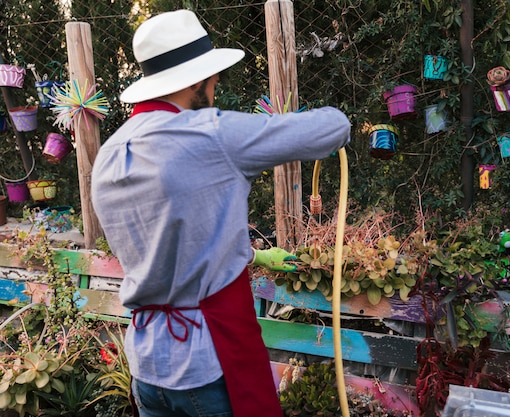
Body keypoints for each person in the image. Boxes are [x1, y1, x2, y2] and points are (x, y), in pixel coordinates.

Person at [91, 9, 351, 417]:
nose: (214, 89)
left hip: (146, 366)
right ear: (196, 79)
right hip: (206, 364)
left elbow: (173, 243)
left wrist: (251, 254)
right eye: (212, 80)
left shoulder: (108, 154)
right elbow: (331, 128)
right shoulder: (210, 134)